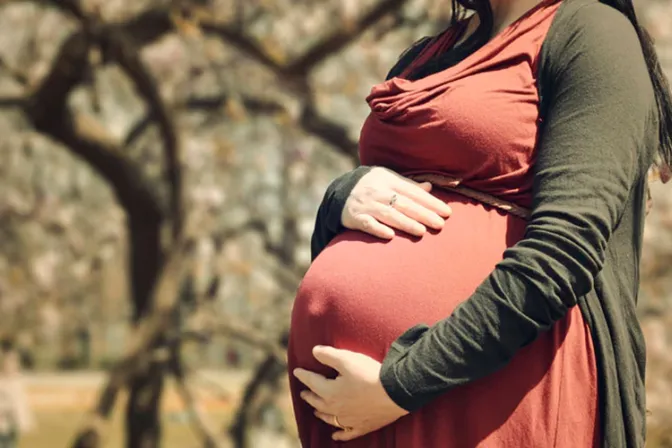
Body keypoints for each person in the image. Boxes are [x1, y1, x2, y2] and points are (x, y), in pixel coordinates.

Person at [287, 0, 672, 446]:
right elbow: (386, 203)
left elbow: (564, 251)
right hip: (363, 404)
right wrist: (341, 197)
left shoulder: (593, 34)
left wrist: (401, 386)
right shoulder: (430, 54)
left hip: (486, 388)